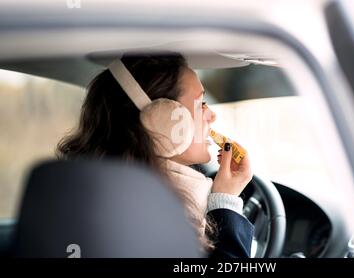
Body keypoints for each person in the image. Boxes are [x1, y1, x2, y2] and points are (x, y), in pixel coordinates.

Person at [56, 53, 254, 258]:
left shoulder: (97, 198)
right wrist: (225, 203)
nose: (212, 115)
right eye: (200, 103)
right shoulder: (144, 220)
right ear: (161, 120)